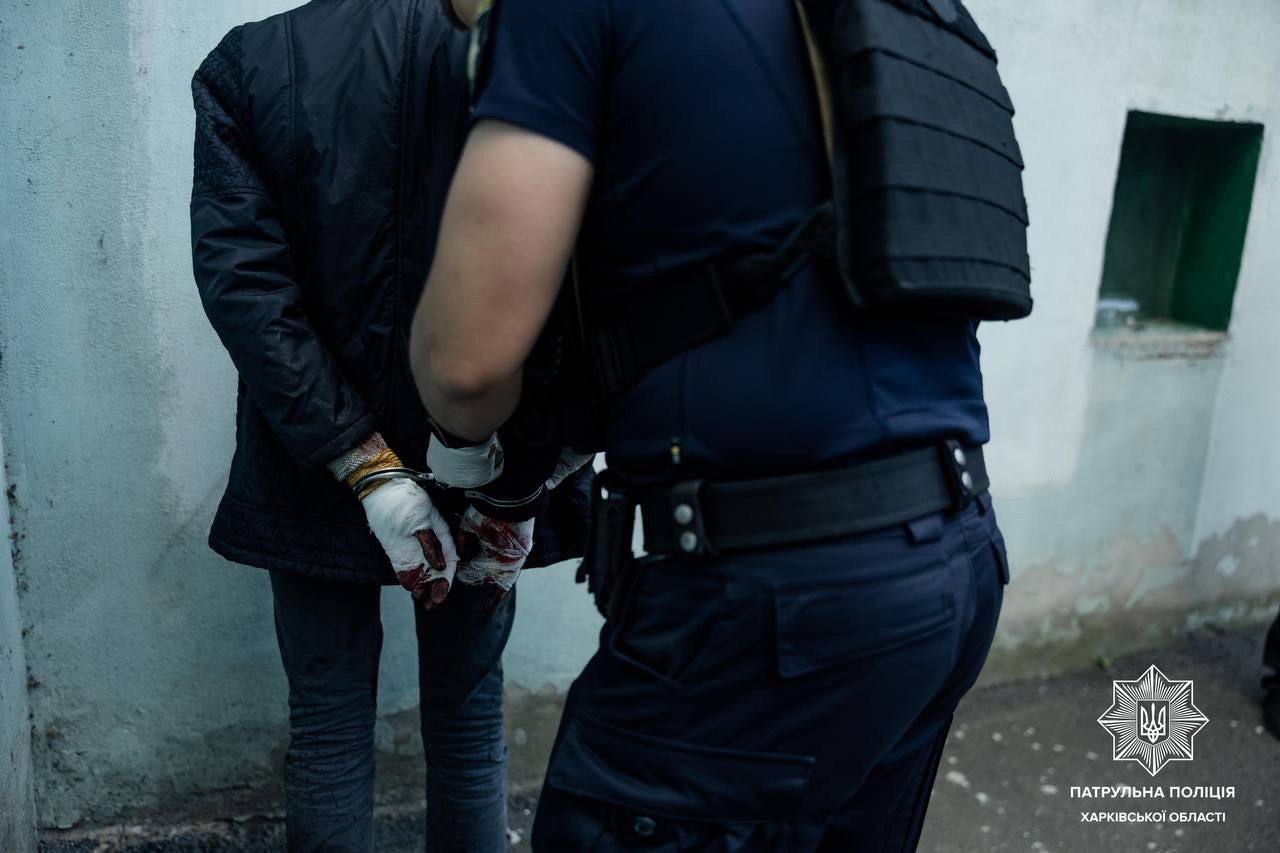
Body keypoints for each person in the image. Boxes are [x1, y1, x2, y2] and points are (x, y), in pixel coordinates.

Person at [414, 0, 1013, 849]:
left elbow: (463, 366)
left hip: (770, 610)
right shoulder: (907, 11)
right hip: (954, 564)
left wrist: (461, 448)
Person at [189, 3, 590, 850]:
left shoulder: (253, 62)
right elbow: (584, 276)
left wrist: (362, 462)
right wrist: (526, 479)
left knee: (328, 723)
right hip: (491, 457)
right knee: (469, 717)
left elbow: (245, 287)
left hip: (312, 460)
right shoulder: (531, 48)